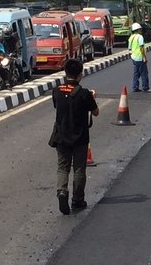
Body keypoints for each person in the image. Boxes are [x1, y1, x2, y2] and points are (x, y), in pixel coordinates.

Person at [49, 59, 99, 215]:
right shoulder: (84, 94)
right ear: (80, 75)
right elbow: (96, 112)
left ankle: (62, 192)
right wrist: (93, 97)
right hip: (79, 137)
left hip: (61, 135)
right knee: (79, 168)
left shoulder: (57, 90)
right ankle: (77, 200)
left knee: (63, 167)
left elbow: (58, 105)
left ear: (65, 73)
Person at [128, 23, 151, 92]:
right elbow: (141, 47)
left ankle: (135, 87)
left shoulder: (131, 37)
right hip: (140, 57)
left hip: (134, 57)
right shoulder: (140, 37)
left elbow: (129, 49)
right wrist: (144, 57)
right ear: (138, 29)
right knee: (144, 72)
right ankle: (145, 87)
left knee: (136, 73)